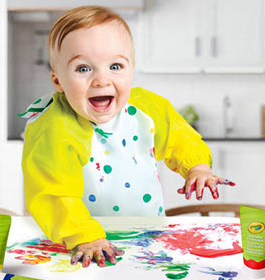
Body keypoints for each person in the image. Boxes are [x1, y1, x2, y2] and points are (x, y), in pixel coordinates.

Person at [20, 5, 235, 269]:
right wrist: (85, 237)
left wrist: (197, 167)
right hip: (82, 244)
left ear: (131, 69)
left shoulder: (146, 108)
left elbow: (179, 135)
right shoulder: (54, 129)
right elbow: (52, 193)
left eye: (115, 66)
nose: (102, 79)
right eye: (83, 69)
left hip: (149, 235)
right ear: (58, 81)